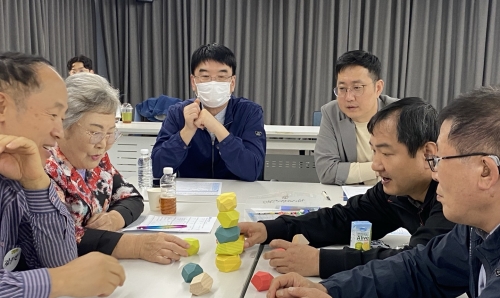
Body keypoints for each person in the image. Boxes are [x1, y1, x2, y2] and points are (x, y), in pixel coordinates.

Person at [267, 86, 500, 298]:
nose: (435, 173)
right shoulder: (474, 230)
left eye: (441, 161)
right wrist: (326, 290)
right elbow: (418, 269)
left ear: (485, 171)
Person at [239, 98, 455, 278]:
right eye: (374, 152)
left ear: (428, 153)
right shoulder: (397, 193)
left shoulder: (453, 198)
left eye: (386, 153)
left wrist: (321, 262)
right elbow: (343, 219)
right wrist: (270, 229)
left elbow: (418, 263)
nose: (375, 165)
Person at [0, 52, 125, 298]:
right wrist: (62, 280)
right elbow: (65, 272)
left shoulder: (14, 176)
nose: (59, 131)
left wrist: (36, 183)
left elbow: (59, 260)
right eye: (54, 115)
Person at [45, 73, 189, 264]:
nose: (103, 144)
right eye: (95, 133)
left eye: (111, 132)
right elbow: (59, 239)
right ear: (64, 125)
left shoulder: (96, 159)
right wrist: (136, 246)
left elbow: (131, 197)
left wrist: (115, 218)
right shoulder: (46, 166)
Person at [151, 43, 266, 182]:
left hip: (236, 198)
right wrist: (187, 131)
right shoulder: (178, 113)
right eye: (205, 76)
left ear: (232, 82)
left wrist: (217, 127)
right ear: (193, 82)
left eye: (221, 76)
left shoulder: (249, 112)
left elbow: (252, 170)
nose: (213, 83)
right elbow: (158, 170)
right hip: (192, 199)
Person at [314, 50, 398, 185]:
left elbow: (411, 167)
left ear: (378, 88)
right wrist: (381, 168)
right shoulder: (331, 113)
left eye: (357, 88)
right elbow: (327, 171)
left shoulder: (400, 113)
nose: (348, 97)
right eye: (342, 88)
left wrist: (351, 171)